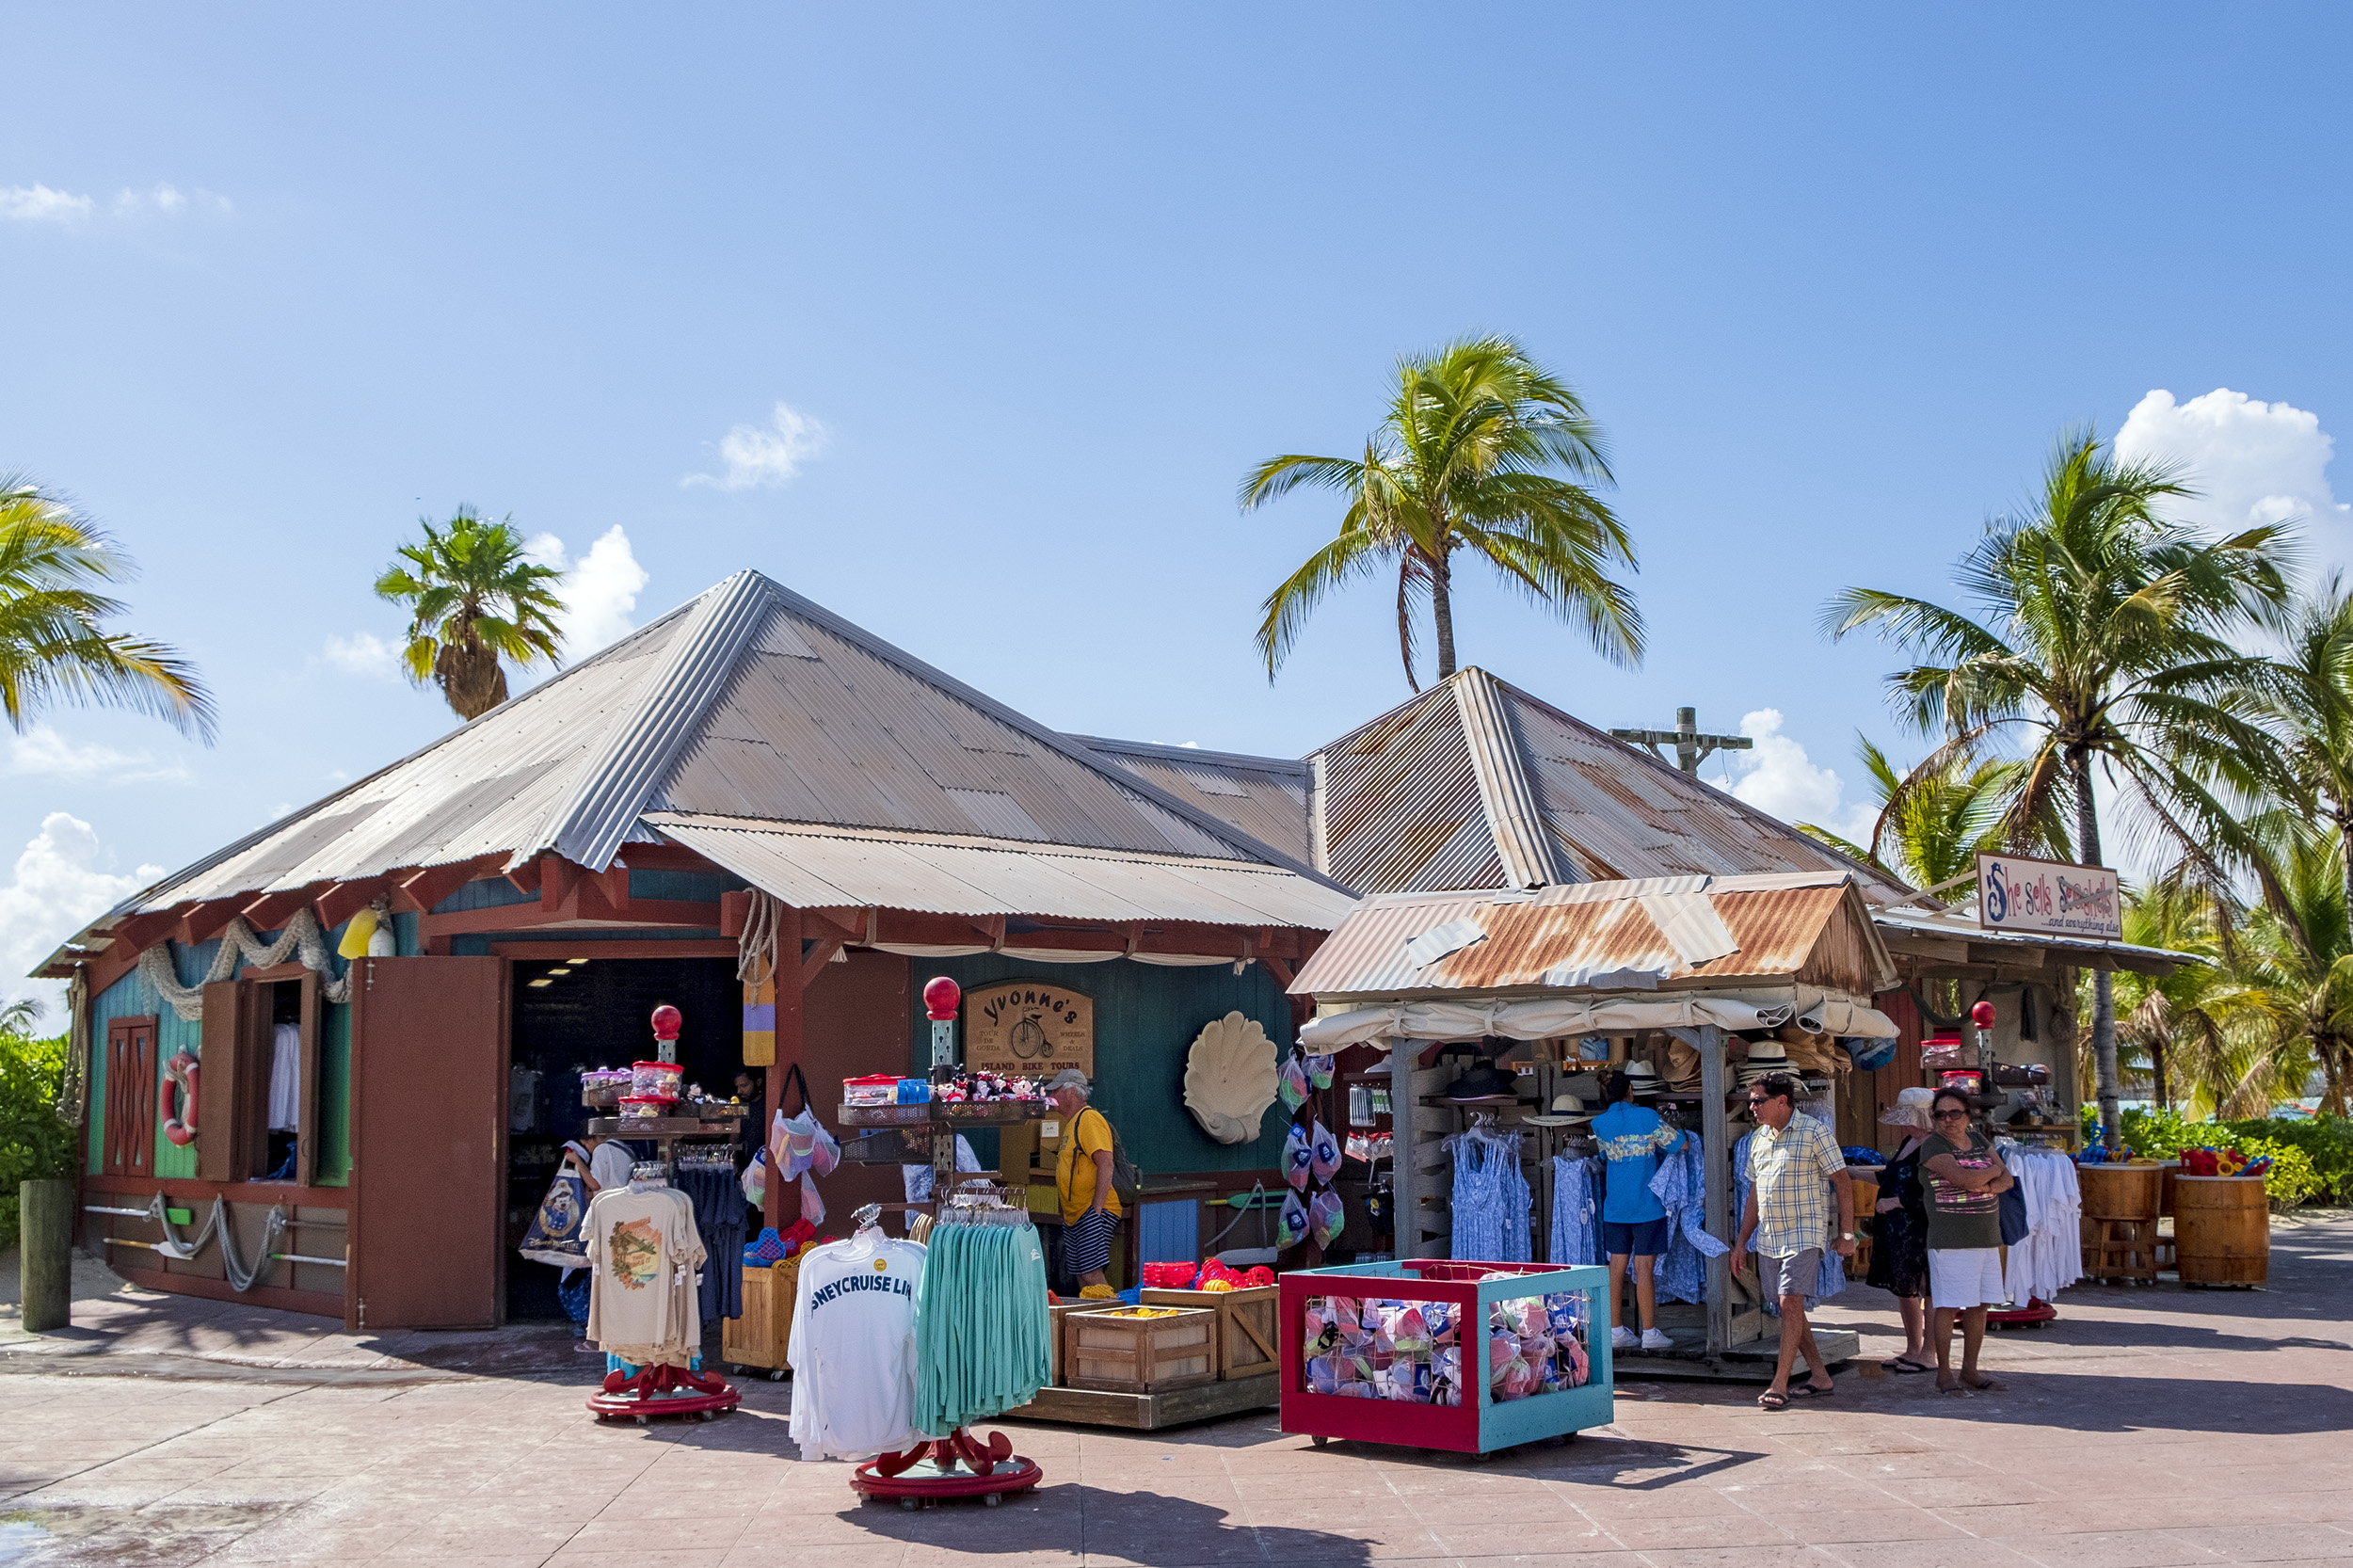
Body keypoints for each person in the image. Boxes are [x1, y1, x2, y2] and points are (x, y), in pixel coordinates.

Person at [1732, 1071, 1855, 1410]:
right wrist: (1742, 1242)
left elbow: (1842, 1183)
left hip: (1805, 1232)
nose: (1752, 1107)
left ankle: (1780, 1383)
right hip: (1771, 1235)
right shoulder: (1759, 1139)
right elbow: (1755, 1194)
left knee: (1789, 1304)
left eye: (1758, 1100)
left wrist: (1846, 1235)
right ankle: (1820, 1374)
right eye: (1751, 1100)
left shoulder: (1815, 1131)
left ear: (1782, 1101)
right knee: (1790, 1309)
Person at [1921, 1088, 2013, 1395]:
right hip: (1951, 1238)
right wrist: (1993, 1171)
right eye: (1940, 1114)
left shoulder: (1978, 1141)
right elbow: (1965, 1179)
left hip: (1986, 1235)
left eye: (1954, 1113)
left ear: (1967, 1114)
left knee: (1981, 1304)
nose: (1947, 1120)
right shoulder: (1933, 1145)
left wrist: (1989, 1180)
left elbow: (2008, 1180)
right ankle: (1944, 1373)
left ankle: (1970, 1370)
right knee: (1947, 1305)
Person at [1591, 1069, 1686, 1352]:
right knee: (1644, 1269)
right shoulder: (1647, 1116)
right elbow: (1680, 1144)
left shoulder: (1599, 1123)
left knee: (1615, 1268)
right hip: (1647, 1204)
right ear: (1631, 1089)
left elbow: (1605, 1156)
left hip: (1616, 1207)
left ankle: (1616, 1330)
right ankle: (1649, 1333)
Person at [1867, 1087, 1936, 1374]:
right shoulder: (1910, 1140)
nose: (1905, 1123)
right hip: (1899, 1230)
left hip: (1921, 1227)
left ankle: (1929, 1353)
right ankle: (1913, 1349)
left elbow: (1934, 1191)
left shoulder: (1934, 1145)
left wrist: (1896, 1201)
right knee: (1904, 1289)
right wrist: (1850, 1171)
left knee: (1927, 1288)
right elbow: (1893, 1175)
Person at [1045, 1068, 1123, 1298]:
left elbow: (1106, 1163)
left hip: (1091, 1211)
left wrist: (1096, 1210)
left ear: (1070, 1092)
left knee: (1091, 1274)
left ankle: (1111, 1322)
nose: (1052, 1097)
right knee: (1082, 1276)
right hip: (1076, 1214)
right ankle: (1094, 1325)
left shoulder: (1089, 1119)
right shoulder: (1073, 1122)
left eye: (1055, 1091)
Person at [555, 1134, 638, 1350]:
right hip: (627, 1219)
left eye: (586, 1144)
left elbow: (595, 1183)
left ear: (592, 1139)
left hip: (610, 1220)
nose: (588, 1149)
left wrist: (579, 1163)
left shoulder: (602, 1150)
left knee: (605, 1280)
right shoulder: (624, 1149)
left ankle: (600, 1336)